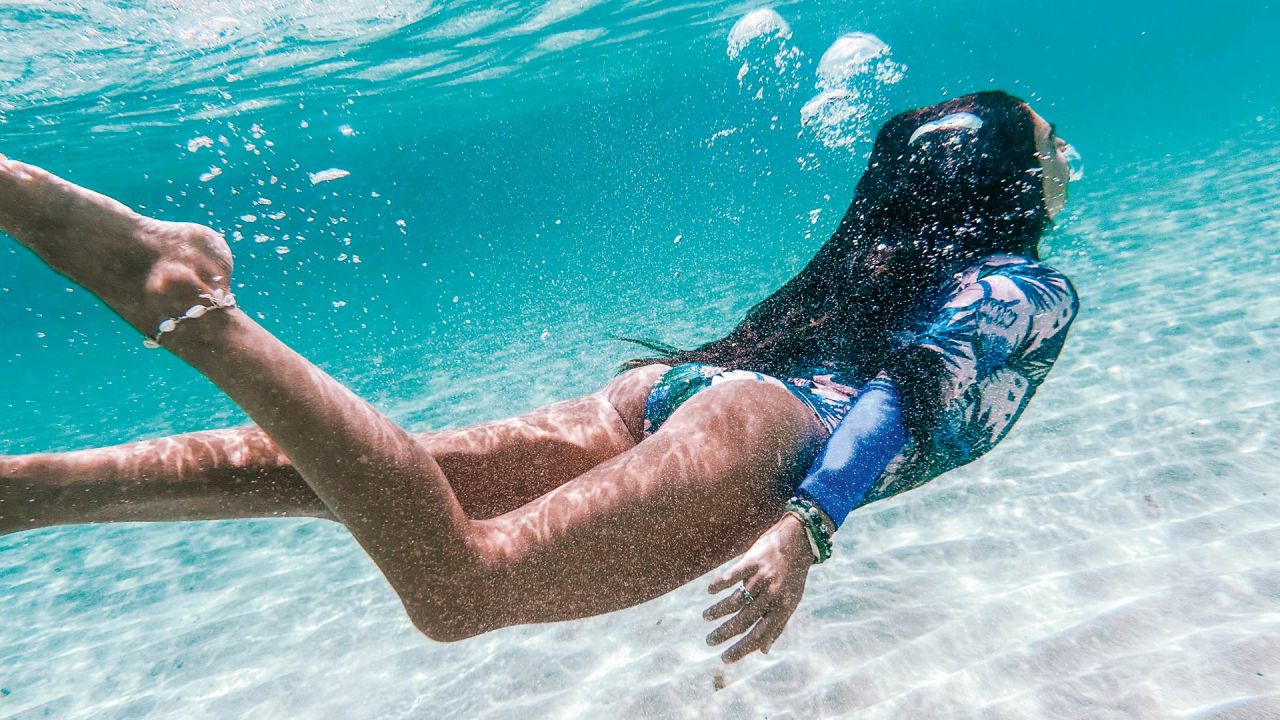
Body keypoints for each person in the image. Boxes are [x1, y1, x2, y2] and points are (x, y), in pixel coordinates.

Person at [0, 90, 1079, 663]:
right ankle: (194, 305)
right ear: (995, 185)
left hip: (686, 396)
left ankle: (36, 490)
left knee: (381, 478)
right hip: (770, 439)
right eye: (1045, 146)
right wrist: (807, 527)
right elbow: (907, 390)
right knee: (465, 588)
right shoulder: (1026, 283)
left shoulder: (877, 266)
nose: (1063, 159)